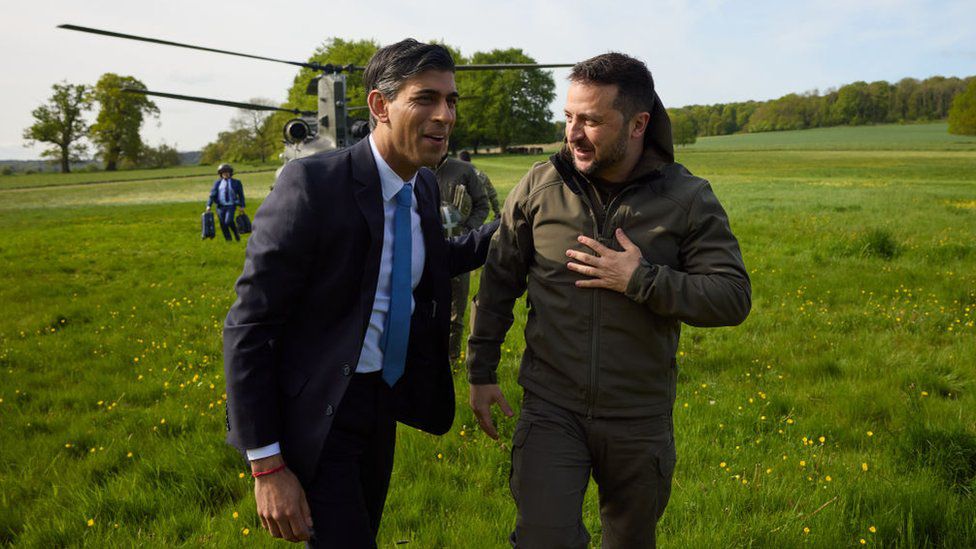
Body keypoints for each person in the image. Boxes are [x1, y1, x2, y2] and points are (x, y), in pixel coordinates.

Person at [467, 52, 751, 548]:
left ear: (639, 123)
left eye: (592, 120)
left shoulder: (687, 198)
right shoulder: (539, 186)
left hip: (639, 417)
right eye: (569, 117)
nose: (574, 133)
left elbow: (731, 297)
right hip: (552, 407)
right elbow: (498, 282)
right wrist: (481, 371)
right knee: (543, 537)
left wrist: (640, 279)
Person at [223, 39, 496, 547]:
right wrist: (266, 465)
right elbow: (249, 326)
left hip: (381, 407)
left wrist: (515, 230)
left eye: (451, 101)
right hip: (320, 414)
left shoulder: (422, 186)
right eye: (425, 99)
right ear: (379, 106)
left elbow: (430, 261)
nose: (444, 115)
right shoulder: (313, 185)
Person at [433, 153, 489, 363]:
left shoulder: (464, 170)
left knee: (456, 308)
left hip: (459, 249)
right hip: (426, 250)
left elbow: (482, 204)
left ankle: (452, 358)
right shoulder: (414, 166)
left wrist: (466, 230)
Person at [206, 163, 246, 241]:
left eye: (227, 172)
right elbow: (212, 195)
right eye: (223, 172)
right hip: (220, 206)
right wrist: (208, 205)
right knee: (223, 224)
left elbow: (241, 195)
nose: (225, 174)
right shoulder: (217, 183)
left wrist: (242, 206)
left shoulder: (236, 182)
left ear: (230, 173)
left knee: (229, 221)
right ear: (220, 174)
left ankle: (236, 233)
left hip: (231, 205)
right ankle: (228, 240)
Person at [458, 150, 501, 219]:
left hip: (462, 214)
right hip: (479, 212)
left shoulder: (457, 176)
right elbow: (492, 195)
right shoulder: (481, 175)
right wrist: (497, 212)